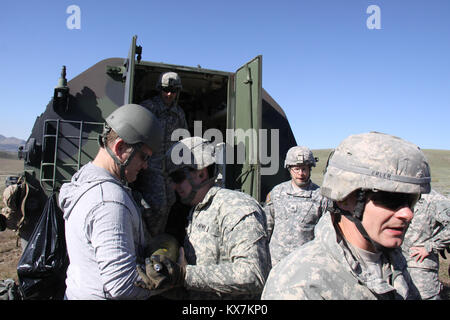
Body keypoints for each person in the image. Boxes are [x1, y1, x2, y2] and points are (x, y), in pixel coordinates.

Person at [261, 131, 431, 300]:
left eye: (412, 200)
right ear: (345, 198)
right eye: (390, 199)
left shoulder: (394, 262)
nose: (407, 214)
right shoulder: (298, 287)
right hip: (281, 257)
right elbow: (268, 225)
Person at [136, 136, 271, 299]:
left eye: (177, 177)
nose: (173, 186)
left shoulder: (235, 206)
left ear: (201, 173)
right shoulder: (197, 211)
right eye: (171, 179)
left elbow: (253, 274)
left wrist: (184, 275)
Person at [58, 104, 163, 300]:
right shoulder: (109, 202)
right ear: (120, 147)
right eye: (143, 157)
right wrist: (172, 282)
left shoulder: (84, 178)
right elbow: (122, 286)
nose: (146, 166)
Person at [134, 71, 189, 237]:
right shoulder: (148, 108)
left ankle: (156, 238)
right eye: (166, 90)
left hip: (169, 168)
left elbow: (184, 139)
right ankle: (146, 238)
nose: (169, 94)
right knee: (157, 205)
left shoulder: (178, 113)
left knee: (170, 202)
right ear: (160, 89)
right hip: (150, 165)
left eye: (173, 90)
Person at [264, 146, 328, 266]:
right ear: (289, 168)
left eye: (304, 169)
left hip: (305, 265)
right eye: (296, 169)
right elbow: (267, 227)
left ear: (310, 169)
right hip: (276, 264)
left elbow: (325, 235)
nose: (301, 173)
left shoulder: (320, 197)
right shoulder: (276, 193)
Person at [401, 189, 450, 299]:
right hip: (398, 263)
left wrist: (430, 246)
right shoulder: (400, 195)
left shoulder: (434, 200)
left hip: (420, 266)